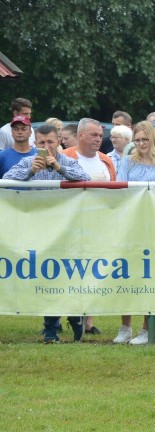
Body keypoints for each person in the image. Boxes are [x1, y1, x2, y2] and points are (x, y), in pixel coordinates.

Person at [3, 123, 90, 343]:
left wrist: (59, 169)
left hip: (68, 229)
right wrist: (32, 171)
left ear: (59, 140)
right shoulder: (27, 162)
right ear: (35, 143)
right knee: (47, 276)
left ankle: (73, 315)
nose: (46, 147)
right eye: (41, 143)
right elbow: (6, 181)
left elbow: (87, 180)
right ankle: (51, 326)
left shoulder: (69, 162)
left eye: (50, 142)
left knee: (67, 276)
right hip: (39, 230)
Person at [112, 121, 155, 346]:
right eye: (137, 140)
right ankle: (125, 326)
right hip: (130, 224)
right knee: (126, 272)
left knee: (150, 275)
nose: (140, 144)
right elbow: (120, 188)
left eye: (144, 140)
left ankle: (147, 327)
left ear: (154, 140)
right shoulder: (127, 161)